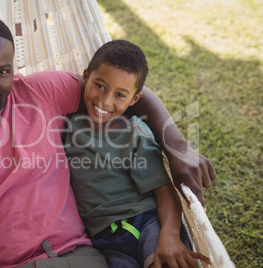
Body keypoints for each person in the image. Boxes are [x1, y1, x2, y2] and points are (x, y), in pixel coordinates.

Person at [0, 14, 216, 267]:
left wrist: (178, 147)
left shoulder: (41, 92)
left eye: (1, 71)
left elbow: (127, 93)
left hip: (81, 256)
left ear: (13, 71)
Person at [64, 40, 210, 267]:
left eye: (120, 95)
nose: (105, 100)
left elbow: (164, 192)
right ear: (86, 77)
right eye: (100, 86)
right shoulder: (67, 126)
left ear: (135, 99)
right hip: (104, 240)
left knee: (164, 260)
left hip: (147, 222)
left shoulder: (133, 135)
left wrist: (169, 236)